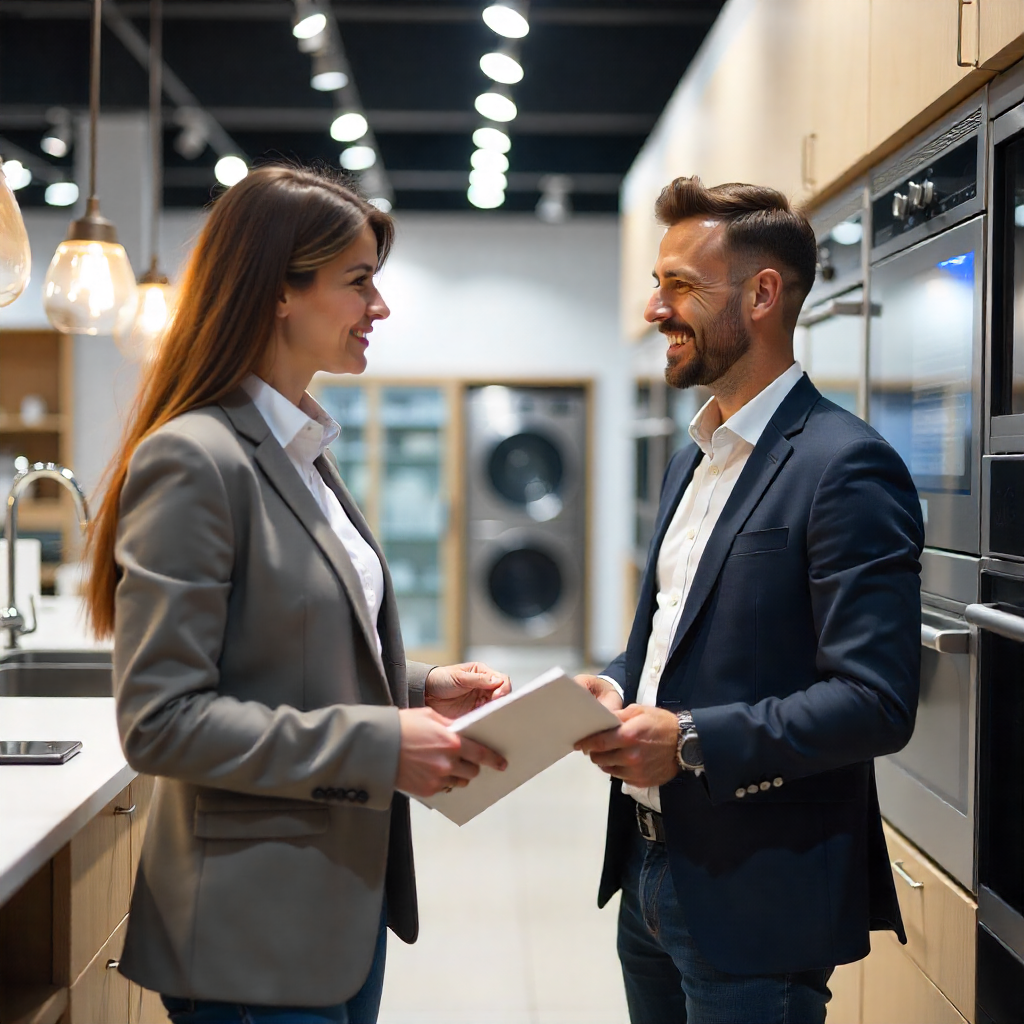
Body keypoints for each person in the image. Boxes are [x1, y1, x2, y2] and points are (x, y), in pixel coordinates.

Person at [85, 165, 511, 1024]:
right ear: (279, 291)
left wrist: (420, 688)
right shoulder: (196, 458)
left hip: (335, 907)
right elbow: (161, 721)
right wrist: (379, 744)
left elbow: (287, 646)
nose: (379, 307)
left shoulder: (299, 448)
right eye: (359, 281)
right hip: (250, 930)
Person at [574, 176, 924, 1024]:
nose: (655, 309)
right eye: (657, 283)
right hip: (648, 870)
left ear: (763, 294)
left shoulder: (846, 465)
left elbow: (876, 702)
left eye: (680, 286)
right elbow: (667, 637)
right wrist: (614, 685)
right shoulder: (691, 459)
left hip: (760, 893)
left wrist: (690, 740)